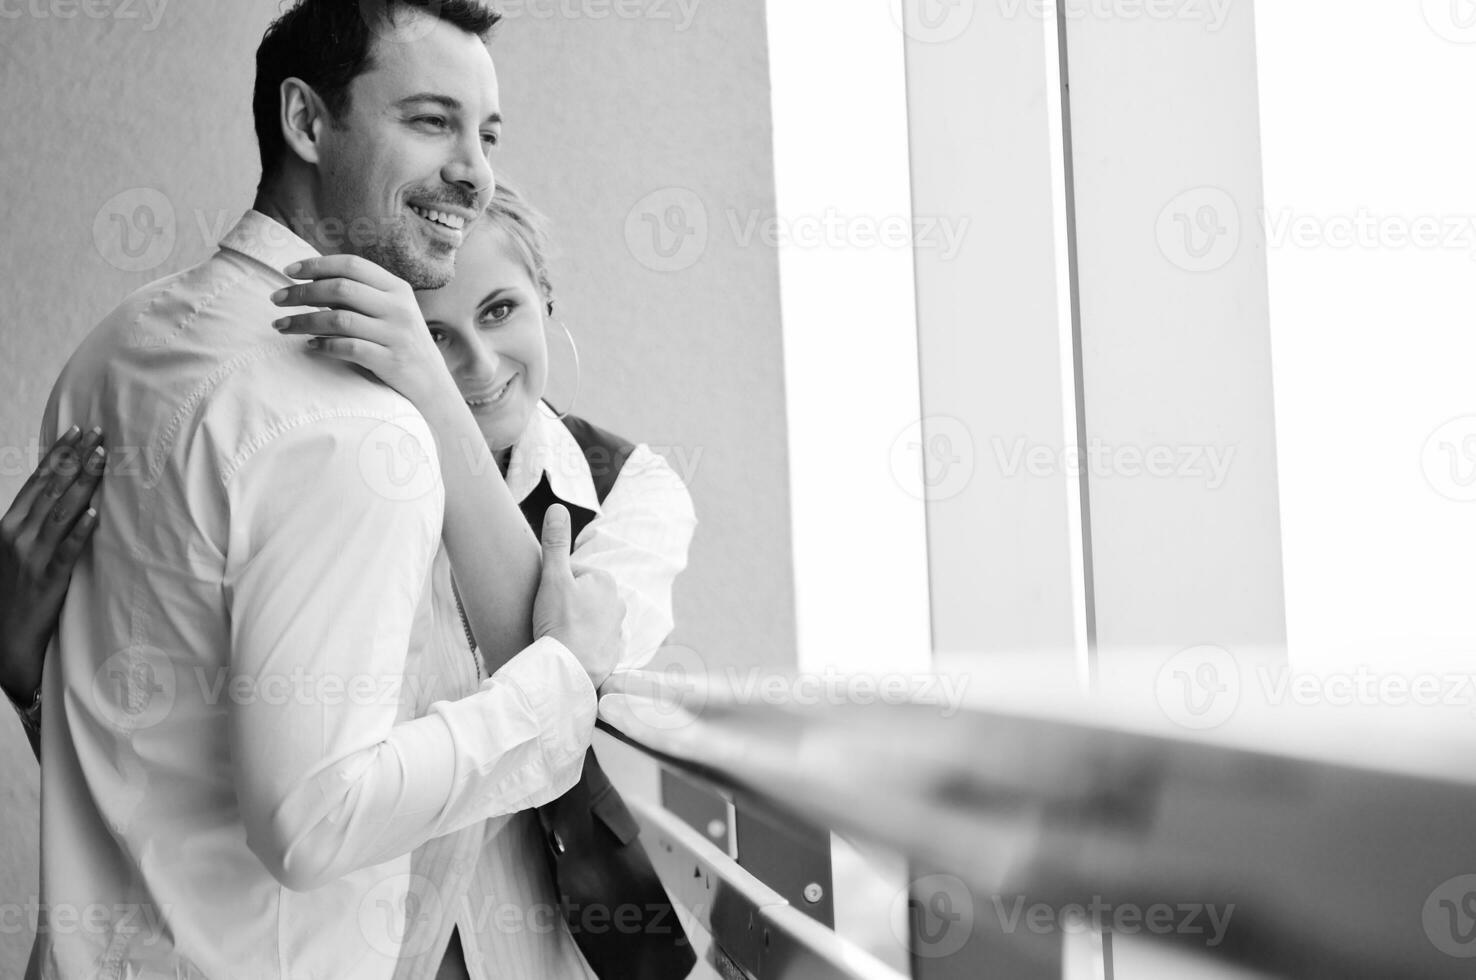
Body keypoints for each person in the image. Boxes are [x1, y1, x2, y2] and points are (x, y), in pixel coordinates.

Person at [4, 3, 628, 978]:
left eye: (487, 132)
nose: (476, 169)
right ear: (305, 122)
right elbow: (313, 819)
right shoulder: (350, 428)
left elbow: (149, 734)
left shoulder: (118, 347)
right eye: (431, 121)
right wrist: (559, 689)